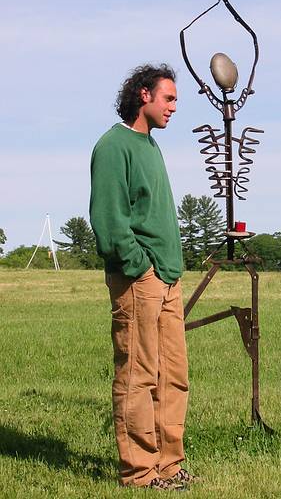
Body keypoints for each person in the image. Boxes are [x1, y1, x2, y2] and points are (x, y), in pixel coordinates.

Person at [89, 64, 194, 490]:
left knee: (173, 378)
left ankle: (168, 465)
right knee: (138, 375)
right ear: (143, 95)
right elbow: (109, 222)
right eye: (168, 98)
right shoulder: (115, 146)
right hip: (140, 279)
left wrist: (167, 271)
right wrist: (141, 266)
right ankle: (139, 473)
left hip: (169, 279)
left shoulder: (152, 147)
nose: (173, 107)